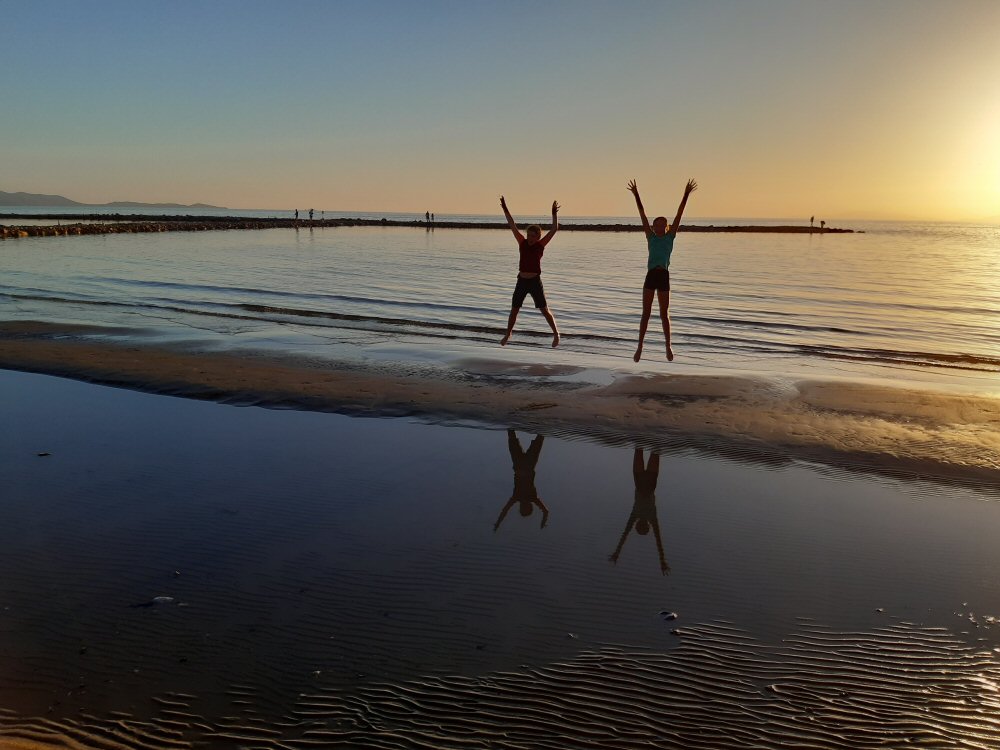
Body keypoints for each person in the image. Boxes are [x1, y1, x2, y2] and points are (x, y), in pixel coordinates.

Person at [627, 178, 697, 362]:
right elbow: (642, 214)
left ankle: (668, 346)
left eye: (662, 224)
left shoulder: (670, 237)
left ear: (665, 227)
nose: (659, 226)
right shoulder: (650, 237)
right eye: (656, 224)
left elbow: (679, 213)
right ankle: (640, 346)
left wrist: (686, 194)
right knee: (646, 313)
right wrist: (636, 195)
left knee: (664, 314)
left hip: (663, 275)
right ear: (653, 227)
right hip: (651, 276)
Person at [499, 196, 561, 347]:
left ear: (538, 236)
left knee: (544, 310)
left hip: (534, 281)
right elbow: (512, 225)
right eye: (528, 235)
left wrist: (553, 213)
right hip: (521, 280)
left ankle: (556, 334)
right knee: (514, 310)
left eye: (533, 236)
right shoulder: (522, 242)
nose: (530, 238)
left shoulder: (540, 245)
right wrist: (505, 209)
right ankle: (508, 334)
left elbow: (554, 229)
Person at [609, 450, 669, 575]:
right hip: (640, 481)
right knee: (642, 447)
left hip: (648, 482)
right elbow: (625, 534)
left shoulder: (649, 517)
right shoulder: (637, 515)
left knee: (653, 448)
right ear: (639, 525)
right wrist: (617, 552)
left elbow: (658, 540)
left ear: (647, 526)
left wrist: (662, 560)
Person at [494, 430, 549, 532]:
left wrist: (498, 523)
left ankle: (512, 416)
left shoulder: (518, 497)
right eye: (524, 507)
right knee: (540, 437)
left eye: (521, 507)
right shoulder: (531, 497)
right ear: (529, 506)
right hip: (527, 465)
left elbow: (505, 510)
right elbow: (546, 511)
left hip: (520, 464)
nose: (522, 505)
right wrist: (543, 521)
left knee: (512, 436)